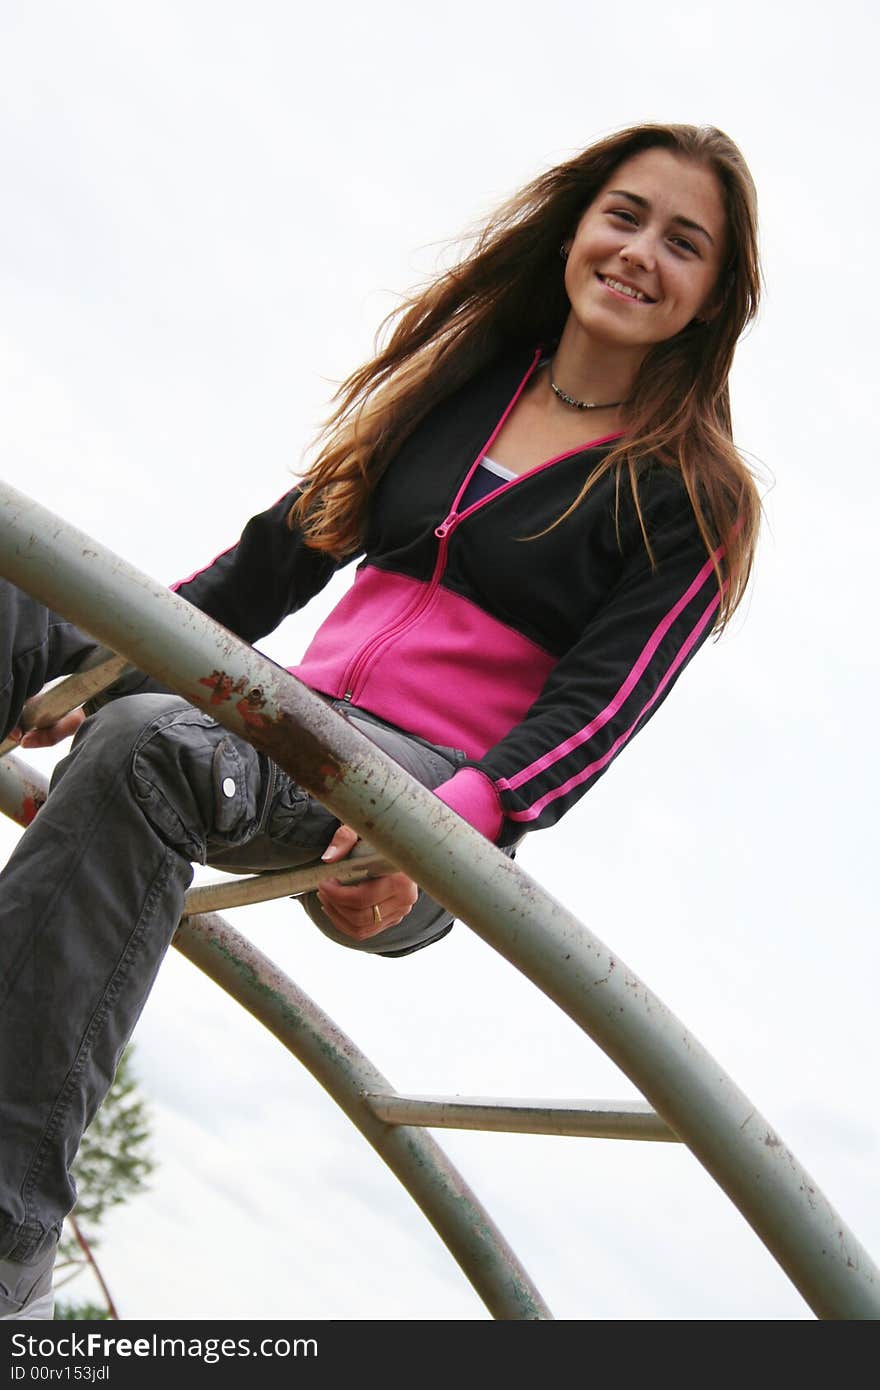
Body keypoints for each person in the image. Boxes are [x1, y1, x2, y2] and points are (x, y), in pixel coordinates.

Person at [0, 122, 762, 1319]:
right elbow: (270, 566)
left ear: (715, 294)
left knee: (148, 747)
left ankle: (1, 1238)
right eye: (624, 216)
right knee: (20, 603)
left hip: (430, 791)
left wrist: (445, 829)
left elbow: (594, 715)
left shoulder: (687, 493)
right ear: (576, 227)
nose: (638, 253)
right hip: (283, 722)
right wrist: (97, 656)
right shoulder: (462, 393)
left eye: (684, 242)